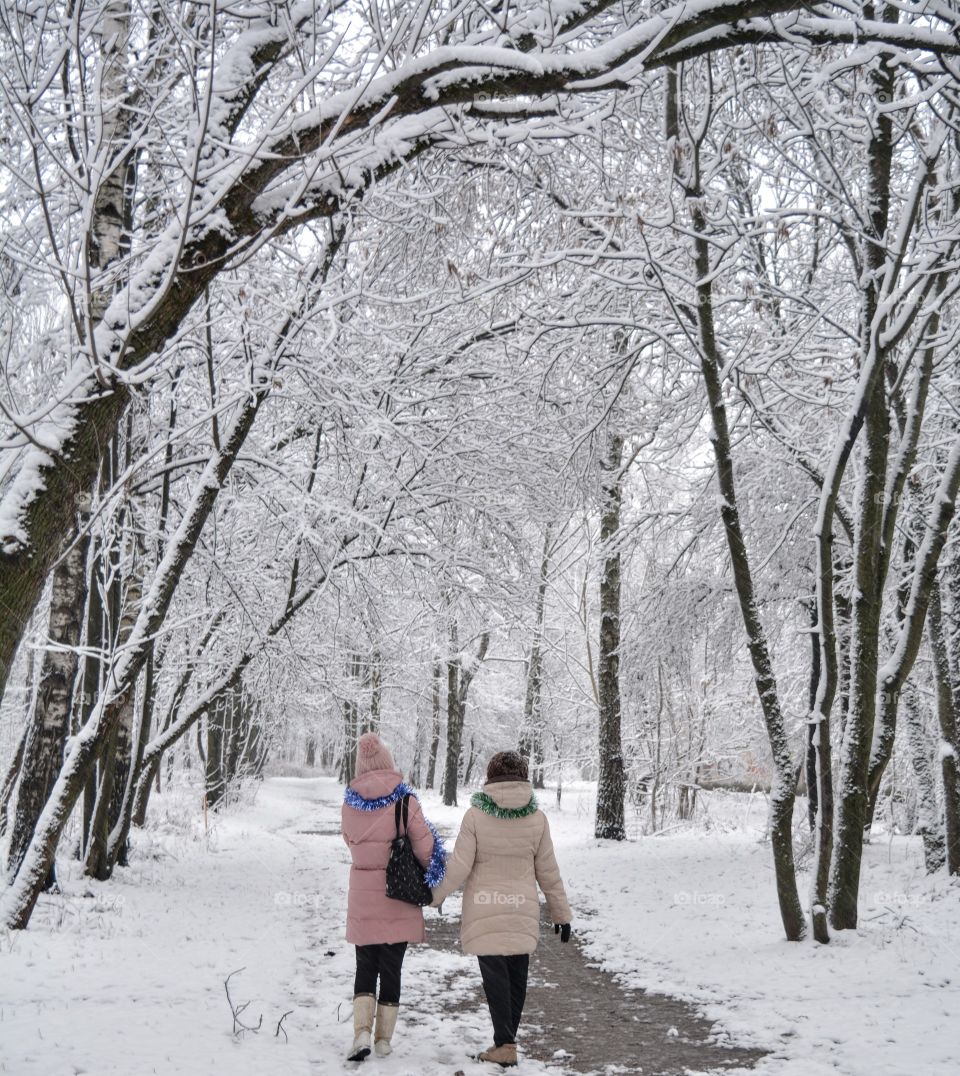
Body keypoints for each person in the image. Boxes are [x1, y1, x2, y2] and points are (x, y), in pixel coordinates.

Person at [431, 750, 572, 1069]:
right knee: (517, 976)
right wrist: (561, 914)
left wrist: (436, 896)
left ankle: (505, 1044)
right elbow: (548, 871)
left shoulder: (475, 816)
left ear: (491, 777)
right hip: (521, 910)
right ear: (523, 777)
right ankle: (506, 1042)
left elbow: (459, 866)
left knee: (495, 977)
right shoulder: (537, 819)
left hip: (484, 910)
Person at [341, 732, 445, 1061]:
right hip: (398, 894)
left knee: (364, 965)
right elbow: (426, 849)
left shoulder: (349, 804)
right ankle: (384, 1039)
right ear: (388, 763)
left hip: (363, 897)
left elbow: (349, 840)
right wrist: (434, 879)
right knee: (391, 968)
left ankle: (361, 1033)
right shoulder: (406, 802)